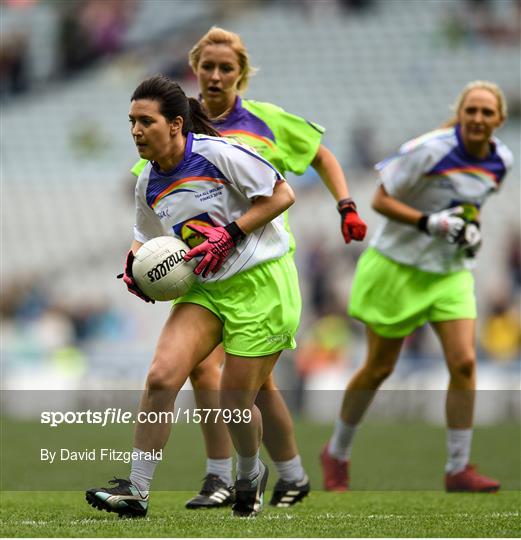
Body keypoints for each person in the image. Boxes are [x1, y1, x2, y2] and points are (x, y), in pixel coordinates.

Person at [131, 27, 367, 509]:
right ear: (194, 70)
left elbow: (313, 163)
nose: (216, 76)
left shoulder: (261, 125)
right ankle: (198, 481)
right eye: (208, 67)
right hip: (205, 276)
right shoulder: (166, 135)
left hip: (261, 270)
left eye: (227, 68)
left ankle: (280, 474)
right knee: (185, 374)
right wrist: (141, 263)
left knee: (248, 394)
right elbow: (159, 212)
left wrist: (345, 204)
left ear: (242, 74)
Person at [86, 74, 301, 518]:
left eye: (146, 121)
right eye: (131, 121)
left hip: (261, 285)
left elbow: (283, 194)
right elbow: (143, 237)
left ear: (176, 125)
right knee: (162, 377)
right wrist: (134, 267)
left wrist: (231, 233)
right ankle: (137, 491)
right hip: (204, 288)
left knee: (235, 403)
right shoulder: (146, 181)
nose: (135, 131)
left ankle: (248, 473)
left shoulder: (219, 155)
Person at [320, 80, 512, 493]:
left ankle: (458, 467)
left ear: (499, 119)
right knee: (378, 368)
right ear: (460, 114)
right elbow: (380, 200)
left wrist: (469, 230)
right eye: (471, 110)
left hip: (449, 272)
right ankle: (336, 451)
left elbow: (469, 207)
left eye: (486, 112)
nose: (478, 118)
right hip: (398, 267)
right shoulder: (430, 150)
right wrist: (430, 223)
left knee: (464, 363)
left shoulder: (501, 161)